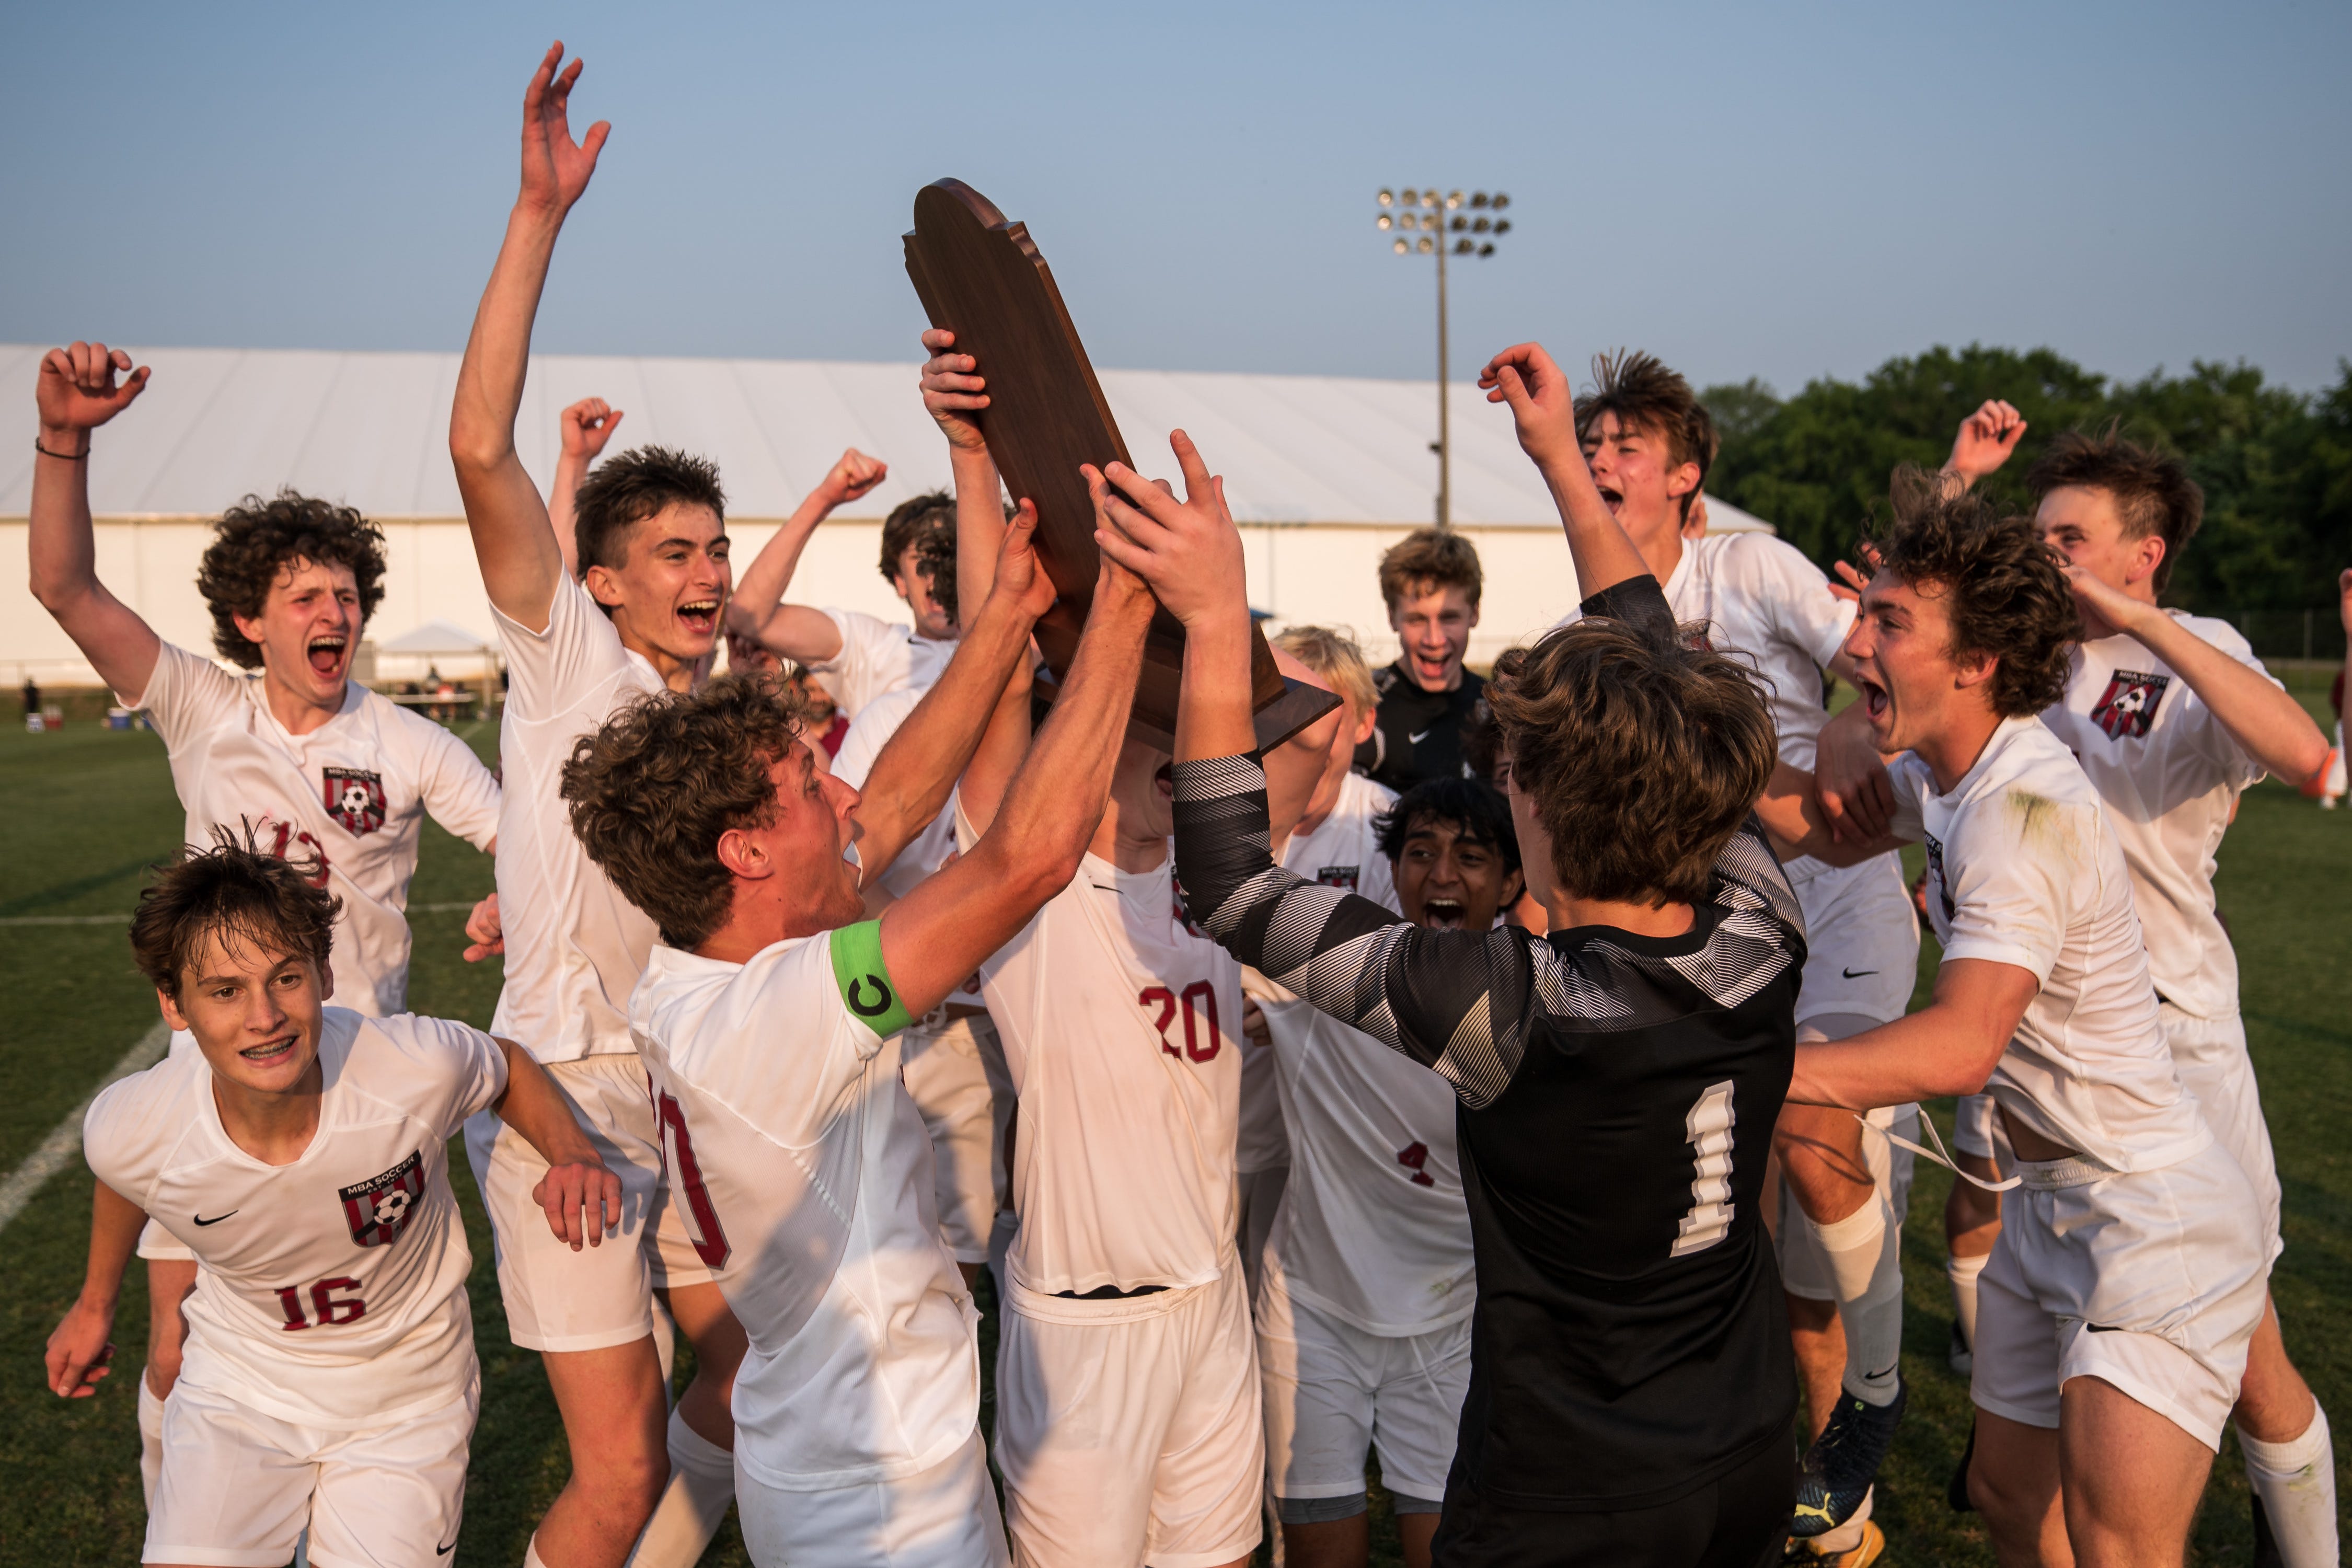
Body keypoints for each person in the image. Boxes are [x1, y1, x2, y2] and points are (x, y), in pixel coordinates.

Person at [1121, 339, 1802, 1568]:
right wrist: (1558, 460)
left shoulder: (1513, 1007)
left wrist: (1219, 618)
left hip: (1570, 1490)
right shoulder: (1763, 921)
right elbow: (1654, 652)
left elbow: (1225, 881)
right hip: (1746, 1447)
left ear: (1533, 805)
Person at [561, 447, 1171, 1567]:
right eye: (807, 786)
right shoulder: (774, 1017)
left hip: (856, 1457)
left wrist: (1004, 625)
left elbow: (886, 808)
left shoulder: (706, 964)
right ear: (745, 851)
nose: (842, 791)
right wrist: (1122, 609)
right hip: (879, 1504)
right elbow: (1027, 861)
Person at [1819, 413, 2339, 1565]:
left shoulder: (2186, 646)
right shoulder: (2019, 676)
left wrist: (2145, 626)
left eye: (2072, 537)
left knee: (2256, 1375)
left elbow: (2310, 759)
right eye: (2039, 536)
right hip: (2029, 1045)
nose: (2050, 554)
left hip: (2169, 1050)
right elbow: (1851, 785)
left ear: (2144, 553)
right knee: (2016, 1489)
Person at [28, 336, 503, 1501]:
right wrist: (67, 441)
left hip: (356, 1088)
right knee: (181, 1338)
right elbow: (65, 589)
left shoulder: (408, 741)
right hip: (216, 1083)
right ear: (252, 621)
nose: (333, 610)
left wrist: (513, 887)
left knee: (360, 1357)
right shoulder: (202, 707)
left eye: (347, 593)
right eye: (305, 595)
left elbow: (518, 835)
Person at [446, 45, 742, 1568]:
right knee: (619, 1477)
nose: (706, 576)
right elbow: (480, 447)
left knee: (747, 1378)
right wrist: (539, 215)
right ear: (606, 577)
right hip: (560, 1099)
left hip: (686, 1095)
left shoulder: (719, 714)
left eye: (718, 550)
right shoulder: (569, 664)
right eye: (676, 554)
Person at [1552, 350, 1916, 1556]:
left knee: (1808, 1140)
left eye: (1624, 444)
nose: (1602, 458)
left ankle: (1867, 1409)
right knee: (1739, 1225)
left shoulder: (1748, 563)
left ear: (1685, 472)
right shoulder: (1583, 625)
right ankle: (1817, 1498)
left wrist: (1848, 772)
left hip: (1842, 895)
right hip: (1710, 924)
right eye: (1589, 442)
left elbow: (1880, 660)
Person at [919, 333, 1266, 1568]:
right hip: (1081, 1319)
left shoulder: (1230, 890)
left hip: (1207, 1293)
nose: (1175, 770)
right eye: (1146, 744)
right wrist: (967, 460)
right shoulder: (1033, 886)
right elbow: (989, 670)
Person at [43, 835, 619, 1568]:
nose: (264, 1018)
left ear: (324, 973)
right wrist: (95, 1305)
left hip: (408, 1399)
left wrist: (573, 1153)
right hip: (241, 1389)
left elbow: (503, 1067)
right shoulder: (133, 1124)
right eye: (225, 991)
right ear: (174, 1005)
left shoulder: (411, 1069)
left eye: (286, 979)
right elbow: (124, 1173)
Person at [1251, 766, 1513, 1568]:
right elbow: (1240, 890)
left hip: (1452, 1327)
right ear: (1391, 871)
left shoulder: (1534, 1006)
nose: (1441, 875)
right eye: (1420, 852)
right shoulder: (1339, 974)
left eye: (1470, 857)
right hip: (1312, 1318)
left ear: (1511, 882)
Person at [726, 457, 975, 726]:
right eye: (923, 557)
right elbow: (748, 615)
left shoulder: (1016, 645)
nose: (937, 570)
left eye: (950, 554)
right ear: (899, 579)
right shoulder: (870, 648)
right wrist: (823, 500)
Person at [1357, 527, 1488, 791]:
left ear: (1474, 613)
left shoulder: (1498, 710)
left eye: (1449, 618)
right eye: (1417, 619)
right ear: (1392, 617)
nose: (1434, 639)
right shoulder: (1364, 707)